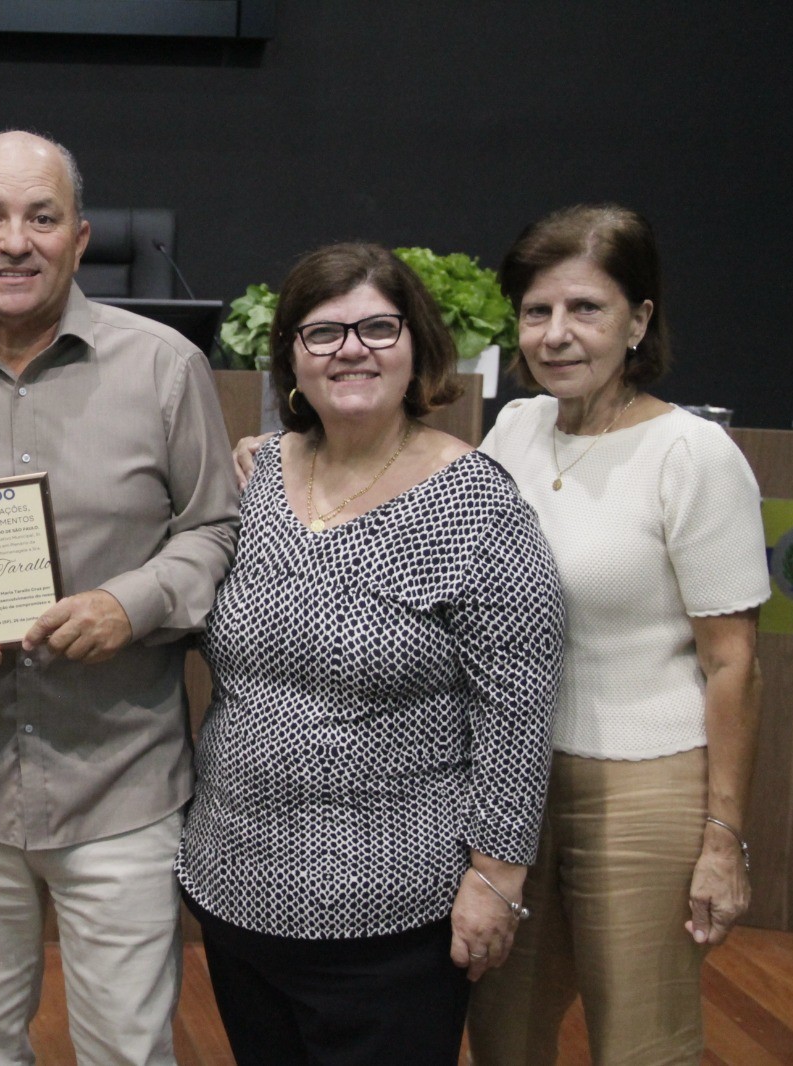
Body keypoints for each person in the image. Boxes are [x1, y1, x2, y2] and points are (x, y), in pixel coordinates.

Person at [0, 129, 239, 1065]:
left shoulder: (164, 368)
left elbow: (215, 528)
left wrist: (135, 602)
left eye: (42, 217)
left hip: (121, 783)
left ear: (80, 237)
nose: (15, 240)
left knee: (127, 1052)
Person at [179, 242, 566, 1065]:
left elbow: (519, 715)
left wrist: (496, 880)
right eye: (323, 333)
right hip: (236, 887)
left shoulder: (478, 508)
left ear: (419, 347)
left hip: (397, 917)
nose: (351, 349)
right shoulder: (253, 479)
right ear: (290, 357)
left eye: (379, 328)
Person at [466, 205, 768, 1065]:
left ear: (638, 320)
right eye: (536, 311)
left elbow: (733, 662)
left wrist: (724, 841)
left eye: (586, 309)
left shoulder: (691, 453)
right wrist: (290, 446)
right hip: (513, 785)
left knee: (643, 1041)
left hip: (646, 788)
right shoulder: (515, 429)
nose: (556, 335)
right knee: (501, 1033)